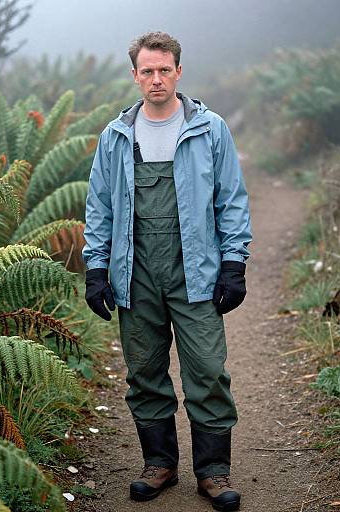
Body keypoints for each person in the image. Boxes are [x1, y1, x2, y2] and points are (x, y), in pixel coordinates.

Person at [82, 31, 252, 512]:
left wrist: (234, 263)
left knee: (208, 371)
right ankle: (159, 464)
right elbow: (99, 209)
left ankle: (214, 474)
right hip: (134, 273)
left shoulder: (209, 129)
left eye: (164, 70)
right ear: (134, 75)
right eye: (147, 71)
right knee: (145, 372)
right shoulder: (115, 137)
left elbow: (231, 200)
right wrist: (96, 269)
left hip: (196, 271)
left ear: (178, 71)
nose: (156, 79)